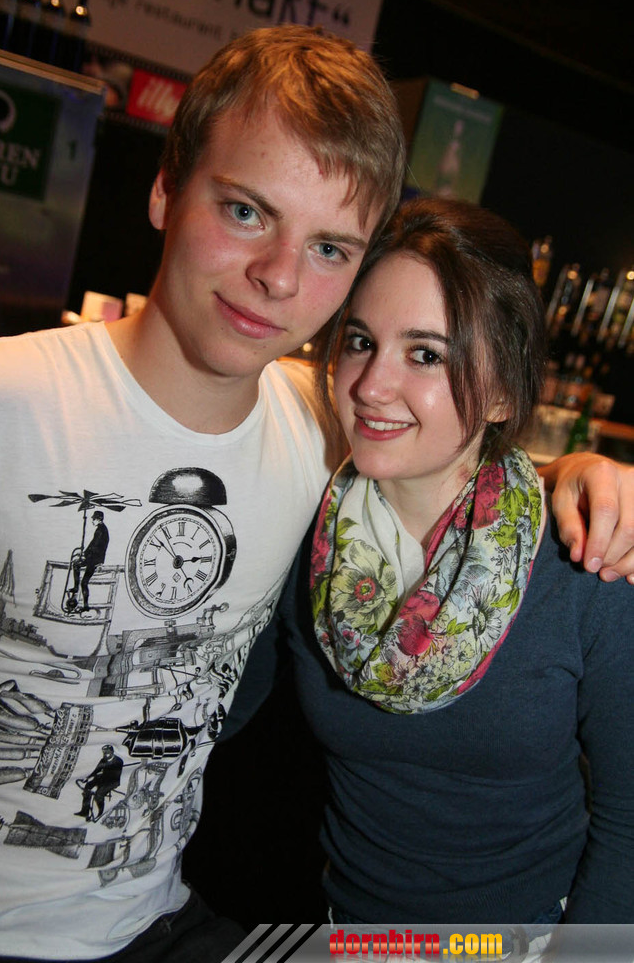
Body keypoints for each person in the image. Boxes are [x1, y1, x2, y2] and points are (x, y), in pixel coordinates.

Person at [0, 26, 632, 963]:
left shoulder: (322, 437)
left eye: (327, 247)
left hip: (164, 923)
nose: (277, 275)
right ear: (165, 187)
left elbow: (455, 464)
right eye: (244, 211)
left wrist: (579, 473)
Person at [233, 197, 634, 940]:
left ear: (504, 390)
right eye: (360, 341)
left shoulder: (583, 560)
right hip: (350, 933)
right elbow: (212, 713)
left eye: (425, 355)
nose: (369, 386)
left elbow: (628, 821)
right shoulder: (305, 535)